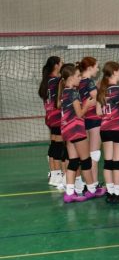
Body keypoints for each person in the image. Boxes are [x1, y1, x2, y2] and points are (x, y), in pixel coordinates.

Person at [58, 64, 99, 202]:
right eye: (77, 76)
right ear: (70, 78)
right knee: (86, 161)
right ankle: (92, 190)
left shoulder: (64, 92)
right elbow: (80, 114)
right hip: (76, 129)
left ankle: (69, 193)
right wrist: (87, 105)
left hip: (66, 130)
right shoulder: (73, 93)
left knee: (73, 161)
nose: (80, 78)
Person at [96, 61, 119, 203]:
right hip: (118, 129)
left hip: (105, 129)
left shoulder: (102, 90)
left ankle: (110, 192)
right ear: (115, 72)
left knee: (108, 162)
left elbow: (99, 112)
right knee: (118, 162)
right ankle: (118, 193)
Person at [77, 57, 106, 195]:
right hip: (94, 119)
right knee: (94, 154)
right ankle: (94, 184)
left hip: (84, 119)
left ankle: (89, 183)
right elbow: (94, 100)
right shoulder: (88, 82)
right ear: (89, 68)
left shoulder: (79, 81)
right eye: (96, 67)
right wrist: (103, 94)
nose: (98, 70)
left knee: (88, 154)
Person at [39, 56, 65, 188]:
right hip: (57, 116)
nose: (62, 64)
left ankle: (54, 175)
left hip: (49, 116)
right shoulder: (57, 80)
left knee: (54, 144)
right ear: (56, 65)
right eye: (61, 62)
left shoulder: (46, 80)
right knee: (58, 146)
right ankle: (57, 175)